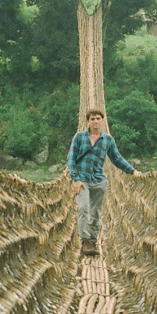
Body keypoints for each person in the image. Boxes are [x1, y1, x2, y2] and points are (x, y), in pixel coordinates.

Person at [67, 109, 141, 256]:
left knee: (95, 212)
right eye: (92, 119)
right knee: (83, 209)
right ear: (88, 121)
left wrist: (132, 171)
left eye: (98, 118)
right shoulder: (79, 137)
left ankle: (93, 241)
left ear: (102, 120)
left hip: (99, 181)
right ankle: (85, 241)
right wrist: (76, 179)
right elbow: (71, 158)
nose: (95, 121)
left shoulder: (107, 140)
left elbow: (116, 158)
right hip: (82, 180)